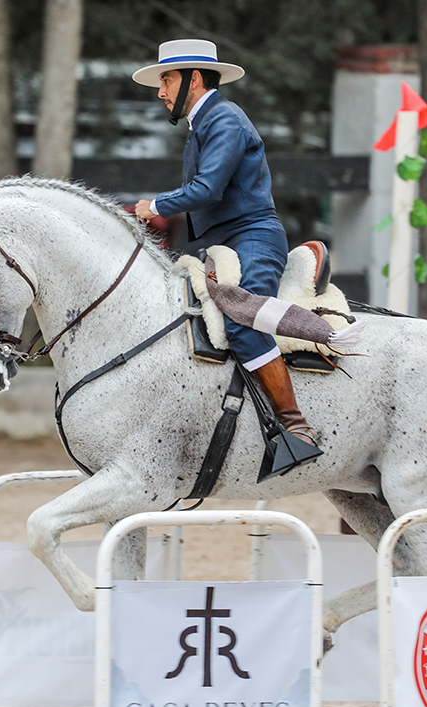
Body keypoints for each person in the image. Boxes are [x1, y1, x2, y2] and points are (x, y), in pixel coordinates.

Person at [132, 38, 325, 456]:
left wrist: (155, 206)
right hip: (225, 243)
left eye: (166, 80)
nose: (161, 91)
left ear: (194, 79)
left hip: (252, 238)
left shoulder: (224, 120)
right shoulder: (205, 123)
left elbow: (206, 189)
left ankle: (296, 428)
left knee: (243, 320)